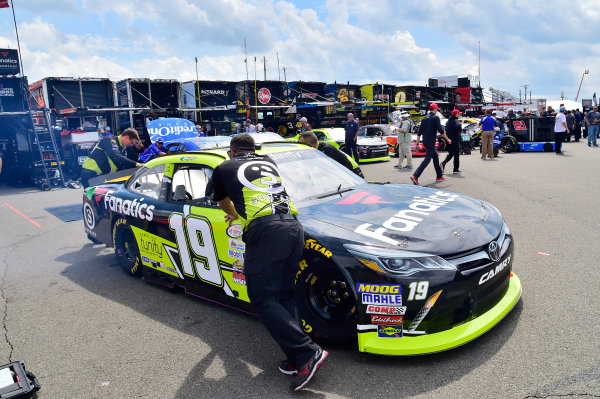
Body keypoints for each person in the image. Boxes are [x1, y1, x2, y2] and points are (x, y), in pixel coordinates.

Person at [211, 133, 327, 392]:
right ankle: (298, 356)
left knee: (262, 297)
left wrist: (235, 217)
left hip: (266, 230)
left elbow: (223, 201)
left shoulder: (224, 167)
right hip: (293, 226)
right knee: (284, 294)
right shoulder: (268, 161)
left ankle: (308, 352)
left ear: (231, 152)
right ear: (255, 149)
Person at [410, 103, 451, 185]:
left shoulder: (425, 118)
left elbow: (419, 132)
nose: (437, 111)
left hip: (425, 141)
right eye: (437, 109)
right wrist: (447, 139)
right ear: (435, 109)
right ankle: (415, 176)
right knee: (427, 159)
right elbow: (441, 130)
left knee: (435, 157)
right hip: (431, 141)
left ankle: (439, 176)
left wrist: (417, 143)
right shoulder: (435, 118)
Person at [298, 131, 363, 177]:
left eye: (302, 144)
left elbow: (330, 171)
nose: (301, 146)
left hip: (354, 172)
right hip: (346, 171)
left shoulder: (326, 150)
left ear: (309, 144)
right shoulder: (317, 148)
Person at [441, 109, 462, 174]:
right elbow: (459, 127)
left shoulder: (448, 121)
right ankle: (455, 169)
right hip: (455, 140)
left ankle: (443, 163)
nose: (460, 115)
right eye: (459, 114)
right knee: (456, 154)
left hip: (448, 140)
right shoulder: (456, 121)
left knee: (451, 153)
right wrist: (459, 131)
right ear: (457, 114)